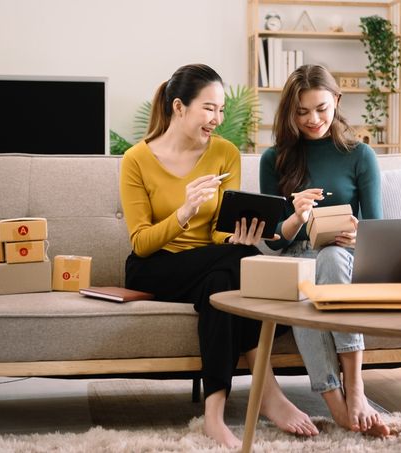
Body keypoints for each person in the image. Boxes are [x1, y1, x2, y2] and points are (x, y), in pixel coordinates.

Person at [120, 63, 318, 448]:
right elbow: (142, 242)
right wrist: (184, 212)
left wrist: (235, 237)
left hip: (211, 265)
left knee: (223, 279)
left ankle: (213, 415)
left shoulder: (225, 153)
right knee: (240, 265)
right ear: (179, 107)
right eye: (209, 108)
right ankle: (268, 393)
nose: (218, 119)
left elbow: (216, 233)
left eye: (222, 109)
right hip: (153, 268)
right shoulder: (136, 160)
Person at [259, 64, 390, 437]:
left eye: (321, 108)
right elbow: (274, 239)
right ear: (289, 112)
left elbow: (376, 227)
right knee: (302, 286)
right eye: (301, 112)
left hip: (343, 256)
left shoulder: (359, 154)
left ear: (336, 101)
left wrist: (356, 235)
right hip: (294, 255)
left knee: (331, 258)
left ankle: (357, 389)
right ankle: (336, 402)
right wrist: (297, 216)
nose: (312, 119)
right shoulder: (276, 159)